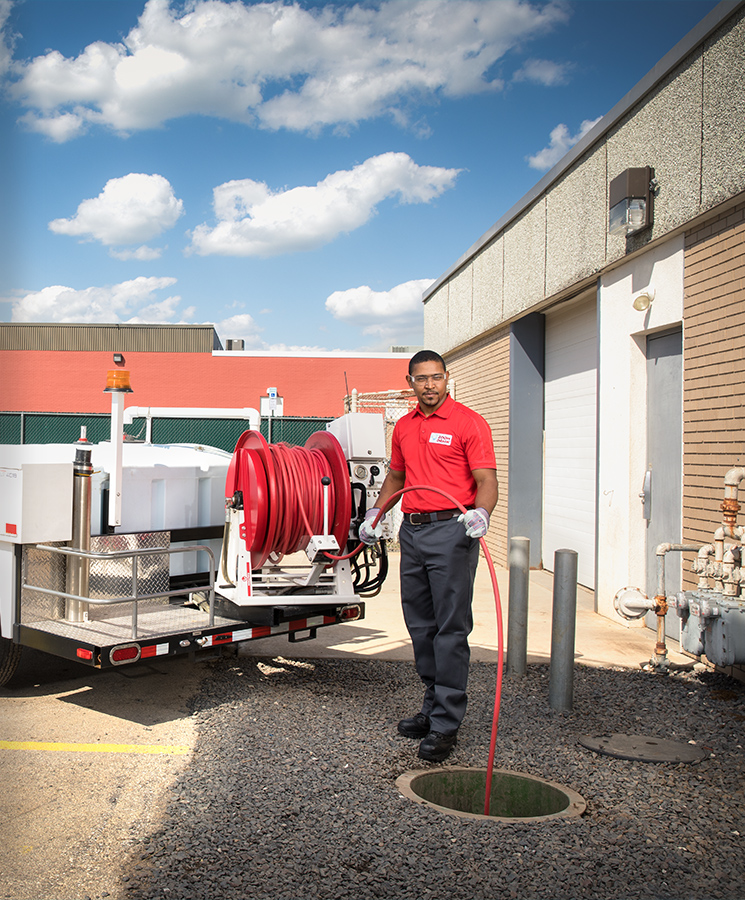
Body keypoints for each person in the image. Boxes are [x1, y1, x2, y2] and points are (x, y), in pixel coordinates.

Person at [359, 349, 497, 761]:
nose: (430, 385)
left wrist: (482, 513)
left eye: (436, 377)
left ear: (447, 378)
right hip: (414, 532)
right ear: (410, 383)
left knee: (450, 628)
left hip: (452, 532)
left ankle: (446, 723)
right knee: (420, 625)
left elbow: (486, 479)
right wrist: (375, 514)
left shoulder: (468, 423)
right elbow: (396, 478)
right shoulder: (403, 426)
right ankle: (432, 704)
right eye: (422, 379)